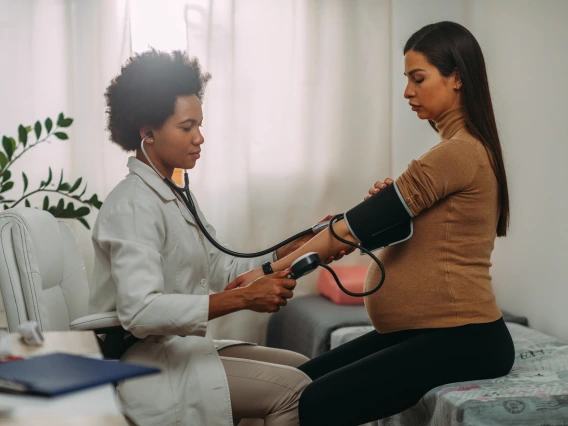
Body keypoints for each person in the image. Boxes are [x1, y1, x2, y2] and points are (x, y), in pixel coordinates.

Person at [228, 21, 515, 425]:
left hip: (463, 337)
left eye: (418, 78)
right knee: (293, 383)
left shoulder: (457, 153)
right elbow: (393, 231)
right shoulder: (454, 151)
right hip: (426, 330)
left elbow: (348, 230)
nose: (407, 92)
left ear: (457, 79)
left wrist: (266, 271)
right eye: (406, 79)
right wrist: (384, 211)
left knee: (314, 401)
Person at [89, 49, 349, 426]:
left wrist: (288, 250)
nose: (200, 138)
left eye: (199, 125)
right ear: (147, 132)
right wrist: (241, 299)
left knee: (306, 370)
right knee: (297, 391)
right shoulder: (133, 205)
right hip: (145, 362)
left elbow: (219, 265)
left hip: (176, 350)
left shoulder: (173, 194)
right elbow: (140, 311)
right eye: (187, 127)